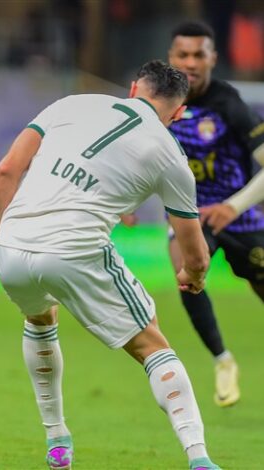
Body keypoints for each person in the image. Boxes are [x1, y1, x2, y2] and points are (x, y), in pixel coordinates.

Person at [0, 60, 220, 470]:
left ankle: (57, 439)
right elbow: (195, 250)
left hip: (13, 245)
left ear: (133, 89)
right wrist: (193, 274)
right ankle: (199, 458)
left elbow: (7, 169)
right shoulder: (170, 154)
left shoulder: (72, 104)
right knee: (152, 345)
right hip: (74, 250)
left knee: (40, 319)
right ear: (179, 112)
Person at [166, 20, 264, 408]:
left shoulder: (230, 104)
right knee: (186, 274)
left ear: (212, 59)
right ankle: (223, 360)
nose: (190, 63)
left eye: (198, 55)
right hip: (189, 212)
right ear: (172, 58)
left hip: (239, 214)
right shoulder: (160, 103)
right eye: (183, 55)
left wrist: (233, 206)